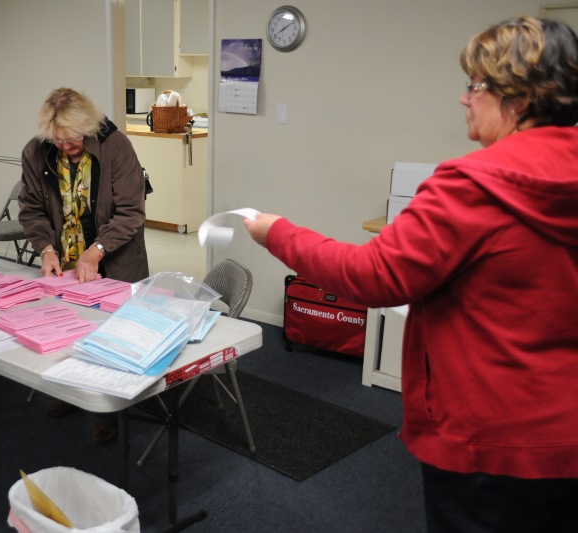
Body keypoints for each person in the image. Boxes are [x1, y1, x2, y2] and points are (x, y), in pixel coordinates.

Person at [244, 16, 578, 533]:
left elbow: (372, 276)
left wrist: (277, 232)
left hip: (487, 440)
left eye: (476, 86)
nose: (464, 98)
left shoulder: (473, 185)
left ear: (520, 99)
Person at [18, 87, 149, 444]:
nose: (66, 146)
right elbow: (31, 208)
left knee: (112, 338)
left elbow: (131, 212)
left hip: (116, 257)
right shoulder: (35, 151)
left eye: (73, 138)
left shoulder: (116, 146)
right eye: (58, 141)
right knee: (68, 331)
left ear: (88, 126)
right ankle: (70, 390)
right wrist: (45, 248)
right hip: (67, 260)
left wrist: (96, 251)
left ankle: (109, 410)